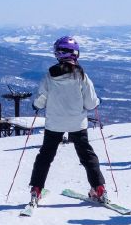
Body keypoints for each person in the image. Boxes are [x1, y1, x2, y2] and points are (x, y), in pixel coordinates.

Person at [28, 36, 106, 206]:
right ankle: (99, 189)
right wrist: (98, 100)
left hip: (54, 124)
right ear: (76, 54)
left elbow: (42, 98)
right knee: (87, 155)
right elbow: (91, 103)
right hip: (77, 123)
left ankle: (36, 190)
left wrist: (36, 105)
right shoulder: (81, 75)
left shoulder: (49, 75)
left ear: (57, 54)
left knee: (45, 156)